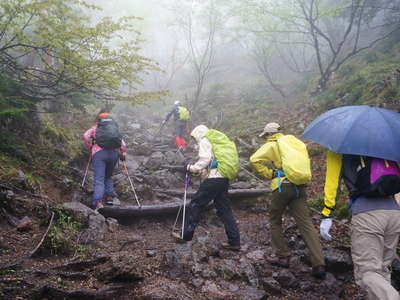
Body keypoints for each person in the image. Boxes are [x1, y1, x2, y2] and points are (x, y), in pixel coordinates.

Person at [249, 122, 326, 279]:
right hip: (300, 186)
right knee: (306, 224)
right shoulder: (294, 142)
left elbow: (253, 159)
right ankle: (319, 264)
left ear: (269, 135)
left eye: (265, 136)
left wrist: (268, 173)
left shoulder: (273, 143)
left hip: (282, 185)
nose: (265, 139)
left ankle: (283, 256)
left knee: (275, 220)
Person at [320, 151, 400, 299]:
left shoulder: (340, 146)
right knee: (383, 270)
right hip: (394, 212)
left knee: (368, 272)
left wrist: (327, 213)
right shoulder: (384, 143)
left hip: (367, 214)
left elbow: (332, 182)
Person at [172, 125, 241, 250]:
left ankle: (185, 236)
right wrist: (199, 170)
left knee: (195, 204)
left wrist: (191, 168)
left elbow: (205, 159)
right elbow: (210, 163)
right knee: (224, 210)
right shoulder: (217, 142)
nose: (194, 140)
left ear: (198, 133)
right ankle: (235, 241)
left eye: (194, 137)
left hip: (213, 179)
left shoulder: (205, 140)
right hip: (223, 178)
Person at [83, 110, 126, 211]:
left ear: (99, 120)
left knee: (99, 178)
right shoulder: (114, 129)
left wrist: (89, 146)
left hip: (99, 154)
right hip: (113, 154)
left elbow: (85, 136)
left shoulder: (95, 128)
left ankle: (97, 202)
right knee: (108, 176)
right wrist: (122, 154)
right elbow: (123, 144)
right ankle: (109, 197)